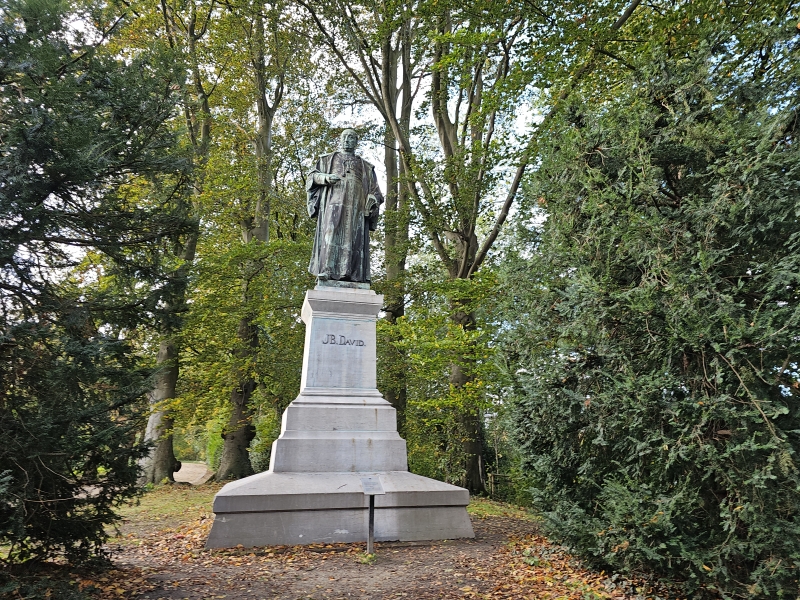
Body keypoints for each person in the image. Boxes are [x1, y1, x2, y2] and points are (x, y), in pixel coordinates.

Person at [307, 129, 383, 283]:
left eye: (351, 137)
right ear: (340, 140)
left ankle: (351, 274)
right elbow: (312, 177)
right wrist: (325, 178)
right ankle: (327, 271)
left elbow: (377, 192)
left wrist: (372, 200)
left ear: (356, 142)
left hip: (356, 208)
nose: (347, 140)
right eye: (345, 137)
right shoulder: (327, 160)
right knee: (331, 232)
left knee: (353, 239)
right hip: (333, 204)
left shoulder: (366, 167)